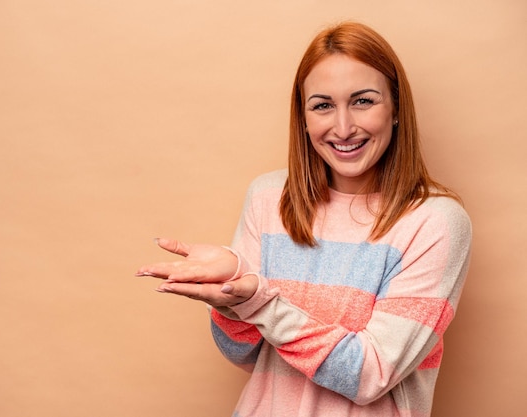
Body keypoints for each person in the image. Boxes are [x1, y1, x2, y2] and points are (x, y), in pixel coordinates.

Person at [136, 21, 472, 417]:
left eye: (363, 101)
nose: (343, 127)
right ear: (303, 116)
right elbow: (246, 356)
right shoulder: (269, 197)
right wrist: (229, 295)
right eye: (323, 105)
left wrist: (259, 301)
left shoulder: (436, 222)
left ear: (396, 108)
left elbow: (370, 376)